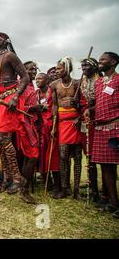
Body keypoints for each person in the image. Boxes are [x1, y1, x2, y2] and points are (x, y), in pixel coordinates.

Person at [0, 32, 29, 196]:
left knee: (4, 138)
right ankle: (6, 178)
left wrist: (16, 97)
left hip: (9, 97)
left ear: (4, 41)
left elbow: (24, 77)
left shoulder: (10, 56)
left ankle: (18, 178)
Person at [85, 52, 119, 219]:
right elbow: (97, 105)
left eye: (103, 60)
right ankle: (113, 202)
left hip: (116, 127)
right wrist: (87, 110)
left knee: (114, 166)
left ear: (113, 62)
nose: (99, 62)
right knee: (106, 166)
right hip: (100, 128)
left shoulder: (118, 80)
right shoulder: (99, 83)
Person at [51, 57, 82, 199]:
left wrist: (78, 118)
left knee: (77, 156)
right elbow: (54, 105)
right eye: (56, 68)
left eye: (59, 68)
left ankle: (76, 190)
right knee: (63, 156)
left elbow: (83, 104)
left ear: (67, 68)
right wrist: (54, 126)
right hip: (62, 124)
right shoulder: (54, 85)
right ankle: (64, 188)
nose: (57, 71)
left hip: (75, 123)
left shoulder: (77, 83)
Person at [34, 72, 61, 198]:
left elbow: (56, 108)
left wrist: (54, 126)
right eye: (36, 79)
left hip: (51, 127)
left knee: (53, 155)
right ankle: (47, 182)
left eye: (40, 78)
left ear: (47, 80)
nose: (37, 81)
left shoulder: (52, 91)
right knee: (41, 155)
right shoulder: (36, 94)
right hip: (40, 128)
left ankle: (58, 186)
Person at [17, 61, 40, 204]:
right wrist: (33, 108)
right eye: (30, 69)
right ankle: (23, 190)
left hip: (31, 123)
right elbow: (16, 106)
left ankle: (23, 188)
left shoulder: (31, 85)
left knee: (28, 157)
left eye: (35, 69)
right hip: (23, 124)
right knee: (33, 156)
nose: (34, 71)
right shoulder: (21, 84)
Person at [79, 58, 101, 202]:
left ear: (94, 67)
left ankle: (102, 191)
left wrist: (91, 108)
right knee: (89, 157)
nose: (84, 68)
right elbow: (81, 102)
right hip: (84, 122)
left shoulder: (101, 81)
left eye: (86, 65)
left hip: (98, 121)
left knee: (98, 158)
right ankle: (93, 188)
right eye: (82, 66)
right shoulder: (82, 83)